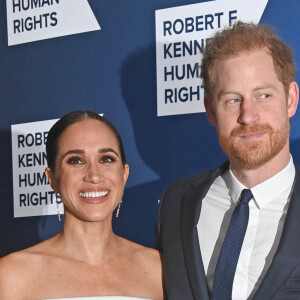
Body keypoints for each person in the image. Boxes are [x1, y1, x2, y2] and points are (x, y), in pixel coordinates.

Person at [155, 21, 299, 300]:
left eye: (264, 95)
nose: (248, 115)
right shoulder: (176, 203)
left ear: (290, 99)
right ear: (210, 110)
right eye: (232, 100)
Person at [0, 111, 163, 300]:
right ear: (52, 178)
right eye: (75, 160)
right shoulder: (11, 276)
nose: (94, 175)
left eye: (106, 159)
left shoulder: (160, 269)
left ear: (124, 174)